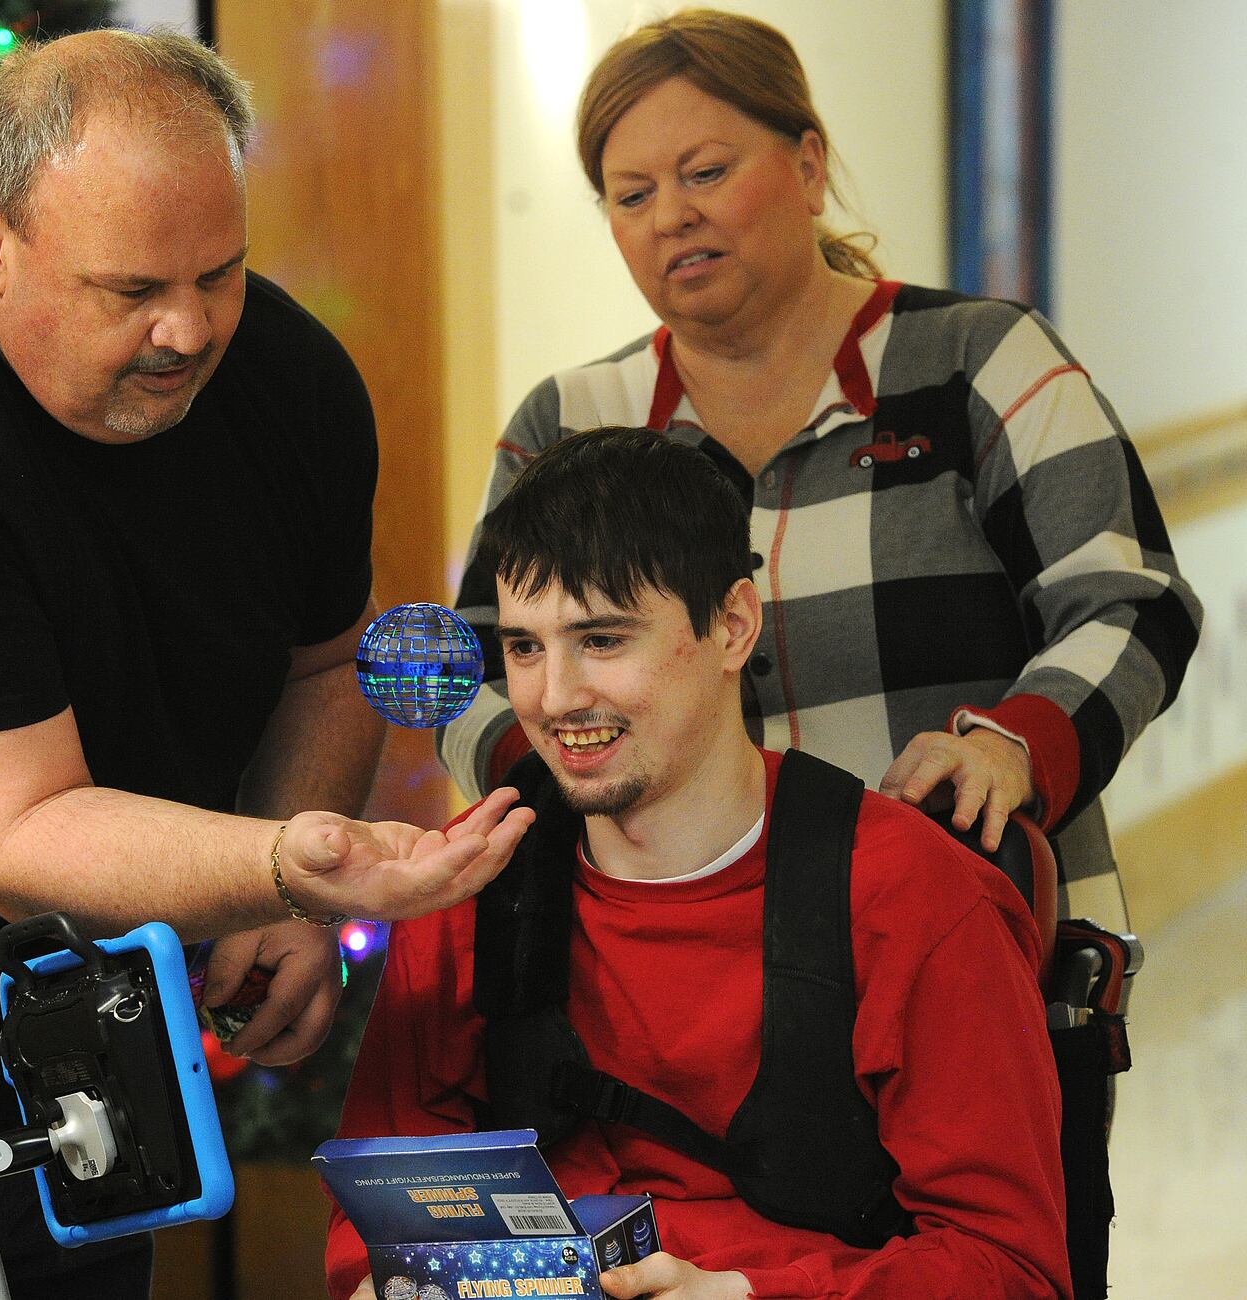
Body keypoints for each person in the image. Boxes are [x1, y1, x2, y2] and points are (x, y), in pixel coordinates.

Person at [0, 29, 531, 1298]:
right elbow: (15, 828)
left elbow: (328, 657)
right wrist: (287, 866)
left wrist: (281, 882)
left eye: (217, 273)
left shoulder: (291, 384)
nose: (187, 329)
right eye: (130, 291)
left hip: (75, 1049)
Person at [439, 9, 1201, 932]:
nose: (672, 216)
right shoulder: (570, 422)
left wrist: (1017, 749)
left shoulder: (977, 363)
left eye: (707, 173)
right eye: (631, 196)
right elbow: (463, 665)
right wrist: (558, 778)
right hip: (680, 968)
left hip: (979, 939)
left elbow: (1128, 599)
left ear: (807, 166)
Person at [327, 427, 1072, 1299]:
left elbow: (1012, 1270)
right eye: (526, 648)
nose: (554, 697)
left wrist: (759, 1296)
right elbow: (376, 1222)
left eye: (601, 640)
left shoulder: (915, 900)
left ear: (732, 626)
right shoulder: (473, 887)